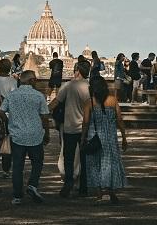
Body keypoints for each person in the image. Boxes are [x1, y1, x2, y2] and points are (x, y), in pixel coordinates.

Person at [0, 70, 50, 205]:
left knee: (17, 166)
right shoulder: (38, 96)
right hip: (35, 135)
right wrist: (47, 133)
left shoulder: (11, 95)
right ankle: (32, 185)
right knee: (37, 163)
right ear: (31, 80)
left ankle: (17, 196)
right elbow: (45, 116)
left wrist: (8, 122)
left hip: (17, 135)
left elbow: (0, 111)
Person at [82, 76, 128, 204]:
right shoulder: (113, 100)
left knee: (94, 164)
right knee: (110, 163)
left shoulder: (89, 102)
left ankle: (100, 193)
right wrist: (124, 137)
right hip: (110, 137)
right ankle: (110, 190)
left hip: (94, 137)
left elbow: (85, 123)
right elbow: (119, 119)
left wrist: (82, 139)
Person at [50, 59, 90, 197]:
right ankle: (84, 186)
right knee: (84, 158)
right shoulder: (90, 86)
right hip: (86, 127)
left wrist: (43, 112)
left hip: (70, 127)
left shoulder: (68, 86)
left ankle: (68, 183)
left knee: (68, 158)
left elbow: (56, 102)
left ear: (77, 71)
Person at [0, 58, 17, 179]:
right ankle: (6, 170)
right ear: (9, 68)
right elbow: (13, 98)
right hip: (8, 115)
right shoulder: (13, 81)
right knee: (7, 143)